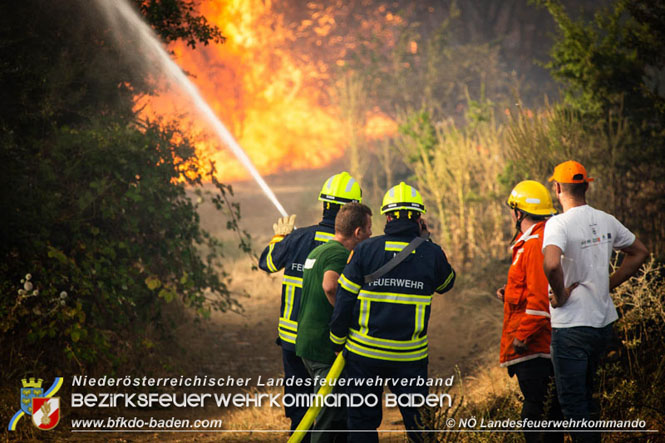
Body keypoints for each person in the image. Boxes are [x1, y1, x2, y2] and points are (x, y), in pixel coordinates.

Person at [329, 182, 455, 443]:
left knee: (362, 423)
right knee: (420, 424)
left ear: (387, 216)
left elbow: (344, 298)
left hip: (364, 355)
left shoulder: (365, 250)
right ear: (419, 218)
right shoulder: (431, 253)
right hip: (409, 358)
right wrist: (426, 240)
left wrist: (337, 340)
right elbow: (446, 284)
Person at [542, 160, 649, 443]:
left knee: (574, 407)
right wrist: (606, 284)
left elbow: (551, 264)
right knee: (588, 401)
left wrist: (561, 294)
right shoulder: (606, 219)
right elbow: (639, 252)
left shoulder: (558, 224)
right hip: (602, 324)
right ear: (586, 185)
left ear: (557, 188)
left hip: (572, 328)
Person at [259, 171, 363, 435]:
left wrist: (278, 239)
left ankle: (299, 434)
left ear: (324, 204)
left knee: (299, 404)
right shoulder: (350, 247)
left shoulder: (298, 238)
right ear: (350, 211)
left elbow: (267, 263)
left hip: (291, 339)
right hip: (326, 341)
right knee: (333, 406)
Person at [296, 202, 373, 443]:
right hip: (324, 348)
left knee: (327, 411)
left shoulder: (318, 251)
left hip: (307, 345)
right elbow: (330, 286)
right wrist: (347, 320)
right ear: (358, 232)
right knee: (329, 417)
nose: (371, 233)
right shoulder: (339, 254)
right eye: (369, 228)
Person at [497, 180, 563, 443]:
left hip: (535, 345)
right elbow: (533, 288)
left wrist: (521, 337)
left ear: (518, 212)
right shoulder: (537, 238)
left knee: (538, 413)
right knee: (545, 411)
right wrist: (510, 293)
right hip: (537, 344)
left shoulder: (536, 243)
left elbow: (539, 301)